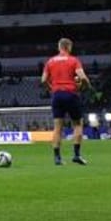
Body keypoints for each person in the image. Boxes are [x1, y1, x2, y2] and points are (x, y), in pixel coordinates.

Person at [41, 37, 91, 165]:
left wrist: (51, 88)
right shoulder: (73, 60)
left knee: (57, 127)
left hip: (57, 95)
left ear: (59, 47)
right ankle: (76, 155)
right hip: (70, 94)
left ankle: (57, 158)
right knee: (78, 124)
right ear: (68, 47)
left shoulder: (50, 61)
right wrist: (84, 86)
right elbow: (83, 78)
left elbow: (43, 80)